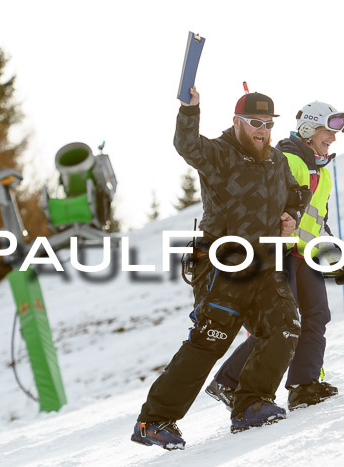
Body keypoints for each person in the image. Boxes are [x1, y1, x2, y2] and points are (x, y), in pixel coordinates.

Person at [131, 89, 310, 450]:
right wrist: (190, 109)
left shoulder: (276, 160)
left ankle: (251, 404)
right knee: (212, 339)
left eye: (268, 124)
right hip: (220, 263)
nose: (262, 130)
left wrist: (293, 215)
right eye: (254, 123)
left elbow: (296, 193)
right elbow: (186, 144)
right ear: (237, 122)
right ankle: (154, 421)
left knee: (285, 324)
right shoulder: (219, 153)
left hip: (263, 264)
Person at [206, 101, 344, 413]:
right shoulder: (287, 160)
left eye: (335, 133)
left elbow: (316, 225)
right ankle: (229, 381)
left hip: (304, 256)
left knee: (315, 317)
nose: (333, 138)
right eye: (328, 131)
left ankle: (304, 386)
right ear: (309, 129)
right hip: (278, 254)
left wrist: (336, 260)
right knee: (279, 324)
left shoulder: (322, 173)